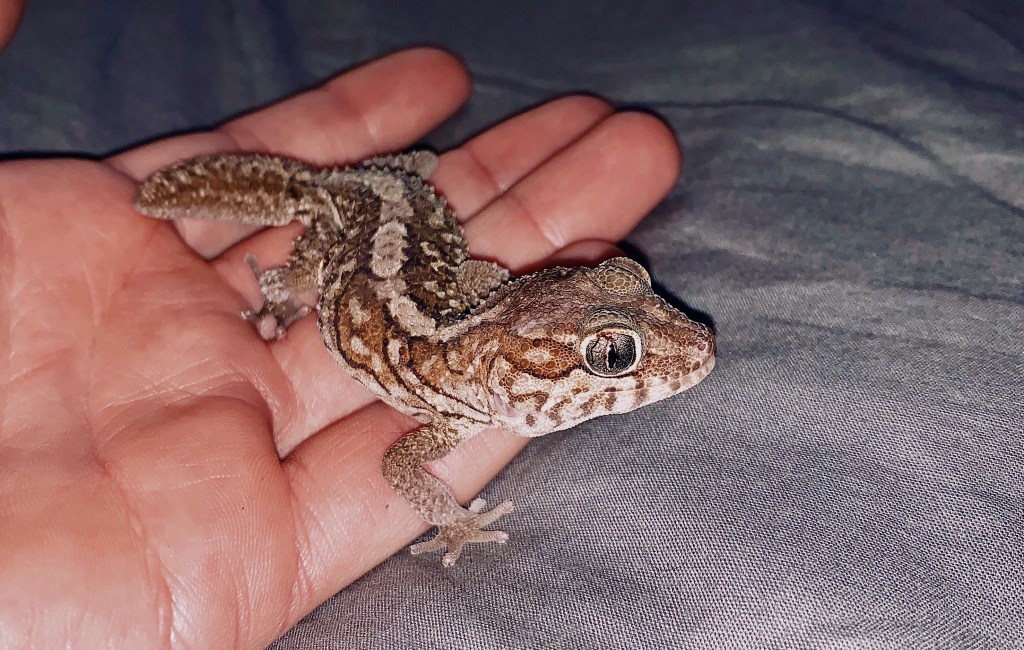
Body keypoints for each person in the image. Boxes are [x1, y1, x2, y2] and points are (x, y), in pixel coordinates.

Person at [0, 47, 682, 647]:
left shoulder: (469, 363)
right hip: (358, 214)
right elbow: (399, 465)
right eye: (614, 358)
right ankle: (326, 234)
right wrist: (451, 522)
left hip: (394, 210)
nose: (676, 346)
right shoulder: (452, 409)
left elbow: (480, 284)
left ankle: (387, 180)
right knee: (317, 246)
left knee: (386, 198)